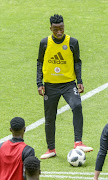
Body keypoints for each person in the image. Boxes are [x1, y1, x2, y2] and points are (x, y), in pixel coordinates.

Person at [37, 14, 93, 159]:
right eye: (55, 29)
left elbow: (77, 62)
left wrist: (79, 80)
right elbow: (39, 62)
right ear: (50, 28)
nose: (59, 32)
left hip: (68, 84)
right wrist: (39, 83)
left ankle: (78, 142)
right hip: (50, 86)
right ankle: (51, 149)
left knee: (77, 106)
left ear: (64, 27)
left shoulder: (72, 42)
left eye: (61, 28)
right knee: (50, 117)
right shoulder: (44, 43)